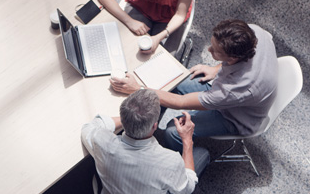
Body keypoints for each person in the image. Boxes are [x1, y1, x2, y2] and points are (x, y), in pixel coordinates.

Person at [110, 19, 278, 152]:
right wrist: (216, 68)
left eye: (215, 51)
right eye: (212, 44)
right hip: (229, 89)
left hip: (234, 117)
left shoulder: (236, 90)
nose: (209, 50)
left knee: (173, 131)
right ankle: (147, 125)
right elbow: (242, 57)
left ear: (233, 57)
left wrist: (137, 89)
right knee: (174, 81)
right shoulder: (256, 33)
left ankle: (179, 159)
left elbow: (181, 103)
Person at [81, 89, 209, 194]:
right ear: (154, 126)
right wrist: (187, 141)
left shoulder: (102, 141)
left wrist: (130, 118)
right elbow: (188, 188)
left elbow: (89, 127)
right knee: (203, 154)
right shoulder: (172, 161)